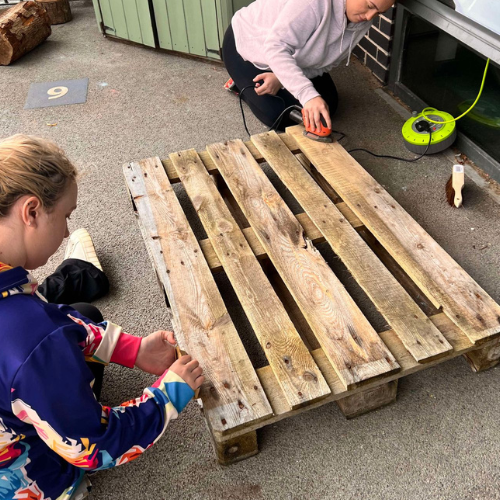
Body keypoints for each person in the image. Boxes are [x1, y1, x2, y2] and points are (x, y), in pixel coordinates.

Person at [0, 134, 205, 500]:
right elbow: (94, 446)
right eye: (65, 216)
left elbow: (51, 319)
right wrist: (170, 392)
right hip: (17, 477)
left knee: (82, 314)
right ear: (31, 211)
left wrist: (132, 349)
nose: (65, 231)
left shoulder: (23, 314)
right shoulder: (32, 338)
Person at [222, 0, 395, 132]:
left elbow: (328, 63)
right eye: (370, 5)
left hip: (290, 57)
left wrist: (280, 78)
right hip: (248, 43)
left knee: (328, 105)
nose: (370, 16)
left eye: (379, 13)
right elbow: (275, 47)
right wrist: (307, 95)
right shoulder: (313, 3)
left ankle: (275, 76)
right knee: (278, 115)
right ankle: (242, 85)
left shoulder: (362, 21)